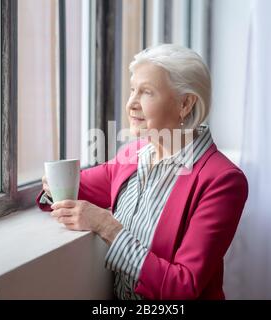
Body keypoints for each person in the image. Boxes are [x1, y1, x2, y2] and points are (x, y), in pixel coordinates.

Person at [36, 44, 248, 300]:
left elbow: (183, 287)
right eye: (132, 90)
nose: (131, 104)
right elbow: (69, 189)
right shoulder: (132, 155)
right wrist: (54, 182)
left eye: (146, 92)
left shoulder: (223, 181)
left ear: (185, 103)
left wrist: (107, 227)